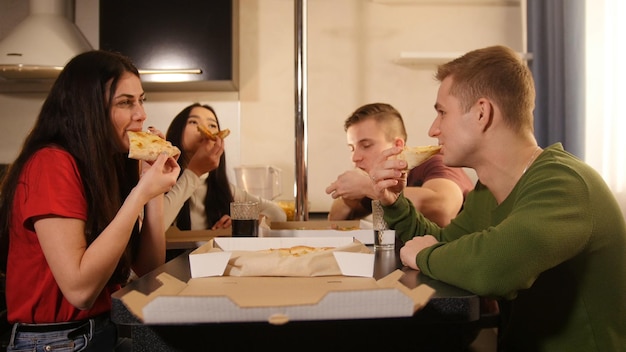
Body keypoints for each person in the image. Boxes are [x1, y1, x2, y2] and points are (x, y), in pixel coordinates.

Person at [371, 45, 626, 351]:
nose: (433, 129)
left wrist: (425, 256)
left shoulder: (565, 184)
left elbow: (494, 268)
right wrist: (393, 203)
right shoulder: (486, 192)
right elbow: (441, 244)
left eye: (441, 112)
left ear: (482, 113)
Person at [0, 50, 181, 351]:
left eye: (141, 100)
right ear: (89, 109)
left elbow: (149, 270)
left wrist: (153, 193)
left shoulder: (107, 164)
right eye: (126, 102)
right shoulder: (51, 163)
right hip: (54, 342)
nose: (141, 114)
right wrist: (139, 194)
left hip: (100, 331)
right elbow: (80, 290)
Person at [325, 102, 474, 227]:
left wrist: (367, 186)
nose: (355, 157)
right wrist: (350, 197)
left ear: (397, 145)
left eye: (366, 145)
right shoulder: (376, 180)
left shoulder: (434, 162)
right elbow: (335, 221)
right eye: (351, 148)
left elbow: (443, 207)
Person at [163, 103, 286, 233]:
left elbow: (278, 214)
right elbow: (153, 228)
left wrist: (246, 219)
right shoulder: (160, 180)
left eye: (212, 125)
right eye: (193, 121)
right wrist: (194, 173)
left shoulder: (224, 189)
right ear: (176, 131)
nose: (205, 128)